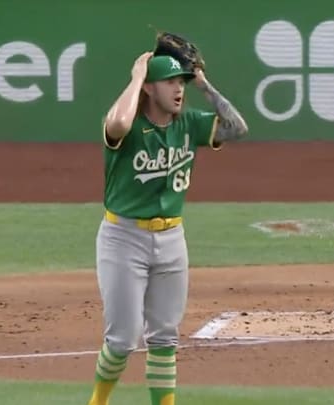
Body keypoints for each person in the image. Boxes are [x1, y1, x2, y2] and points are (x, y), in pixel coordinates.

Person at [85, 52, 248, 405]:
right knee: (122, 340)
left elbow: (237, 128)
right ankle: (97, 401)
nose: (179, 89)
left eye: (182, 82)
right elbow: (115, 125)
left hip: (173, 238)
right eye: (171, 82)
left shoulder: (188, 124)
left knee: (164, 339)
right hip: (123, 239)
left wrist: (204, 85)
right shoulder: (128, 127)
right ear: (149, 88)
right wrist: (136, 77)